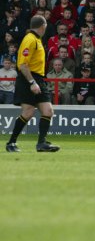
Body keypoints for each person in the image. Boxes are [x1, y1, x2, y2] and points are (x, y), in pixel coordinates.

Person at [5, 15, 60, 152]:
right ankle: (11, 143)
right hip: (28, 78)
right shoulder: (30, 39)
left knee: (48, 111)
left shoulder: (36, 39)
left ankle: (41, 143)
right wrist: (32, 82)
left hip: (38, 79)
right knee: (28, 112)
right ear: (43, 26)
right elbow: (22, 65)